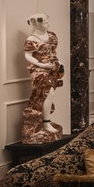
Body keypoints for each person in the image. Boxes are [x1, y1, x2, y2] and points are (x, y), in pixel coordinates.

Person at [22, 13, 64, 143]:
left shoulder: (51, 36)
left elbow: (53, 52)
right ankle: (45, 123)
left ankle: (46, 121)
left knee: (50, 94)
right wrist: (41, 64)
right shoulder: (31, 39)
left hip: (52, 69)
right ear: (36, 24)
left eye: (47, 21)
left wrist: (58, 62)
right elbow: (28, 55)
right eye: (45, 22)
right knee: (44, 95)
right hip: (40, 71)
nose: (48, 23)